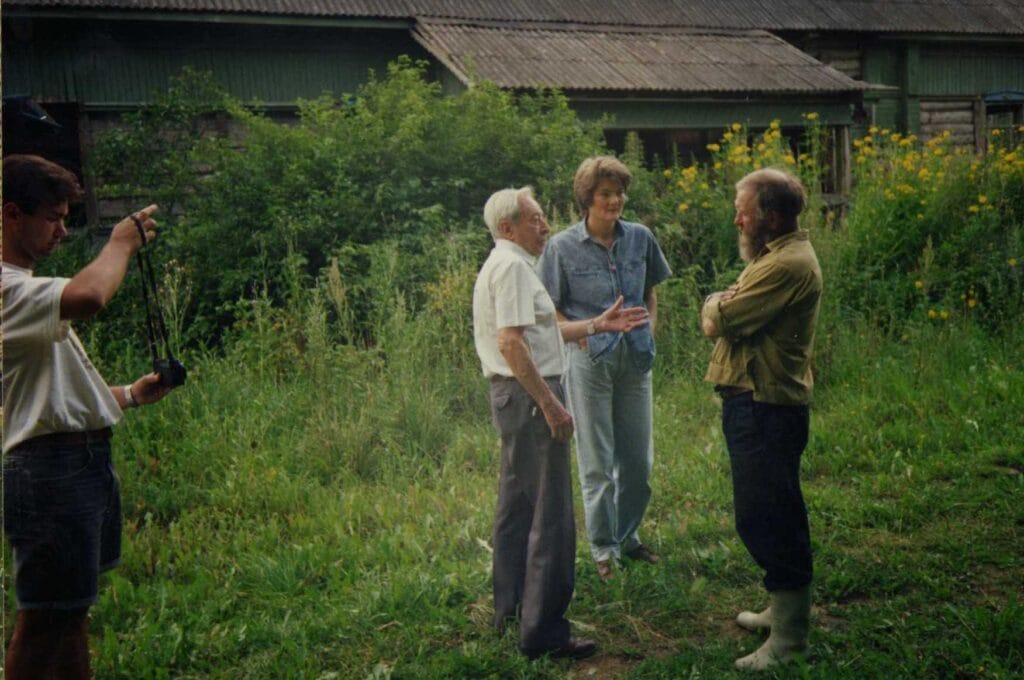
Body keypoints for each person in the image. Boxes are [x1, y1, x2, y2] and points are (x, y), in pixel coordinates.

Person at [2, 154, 178, 679]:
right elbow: (90, 295)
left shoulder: (24, 288)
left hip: (73, 463)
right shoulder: (8, 287)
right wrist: (120, 243)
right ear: (11, 213)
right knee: (42, 622)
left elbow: (40, 394)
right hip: (48, 470)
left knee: (70, 611)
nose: (61, 229)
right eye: (52, 217)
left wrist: (126, 394)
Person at [472, 186, 649, 660]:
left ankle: (509, 609)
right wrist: (551, 404)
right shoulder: (511, 268)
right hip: (530, 398)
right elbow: (512, 344)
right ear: (508, 227)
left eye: (544, 216)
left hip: (515, 397)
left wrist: (597, 325)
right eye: (535, 218)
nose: (545, 225)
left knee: (516, 508)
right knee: (551, 516)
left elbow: (542, 331)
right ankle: (545, 633)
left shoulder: (506, 263)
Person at [700, 167, 822, 671]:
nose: (736, 219)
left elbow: (719, 320)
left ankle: (790, 640)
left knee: (768, 516)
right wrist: (720, 304)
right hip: (757, 402)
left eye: (743, 211)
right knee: (768, 510)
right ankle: (782, 612)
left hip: (765, 407)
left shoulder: (785, 265)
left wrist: (714, 304)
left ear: (770, 216)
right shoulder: (774, 256)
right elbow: (726, 312)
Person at [538, 156, 672, 582]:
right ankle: (603, 548)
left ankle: (627, 537)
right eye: (605, 194)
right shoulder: (560, 247)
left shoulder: (641, 238)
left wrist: (649, 325)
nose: (614, 201)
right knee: (597, 461)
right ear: (587, 200)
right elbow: (548, 313)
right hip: (589, 360)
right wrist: (582, 332)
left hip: (635, 356)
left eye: (619, 193)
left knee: (637, 463)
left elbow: (650, 292)